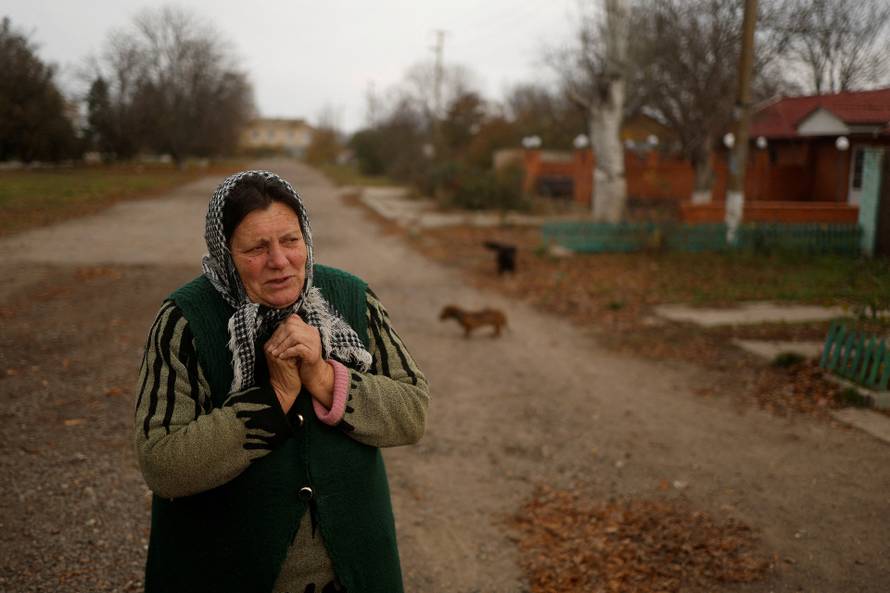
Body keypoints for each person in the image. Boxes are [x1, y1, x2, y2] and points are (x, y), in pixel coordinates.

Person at [134, 170, 429, 593]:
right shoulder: (185, 322)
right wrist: (274, 398)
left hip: (354, 574)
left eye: (291, 240)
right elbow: (161, 463)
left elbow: (414, 412)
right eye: (256, 248)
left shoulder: (352, 298)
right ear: (224, 253)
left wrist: (325, 377)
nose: (279, 261)